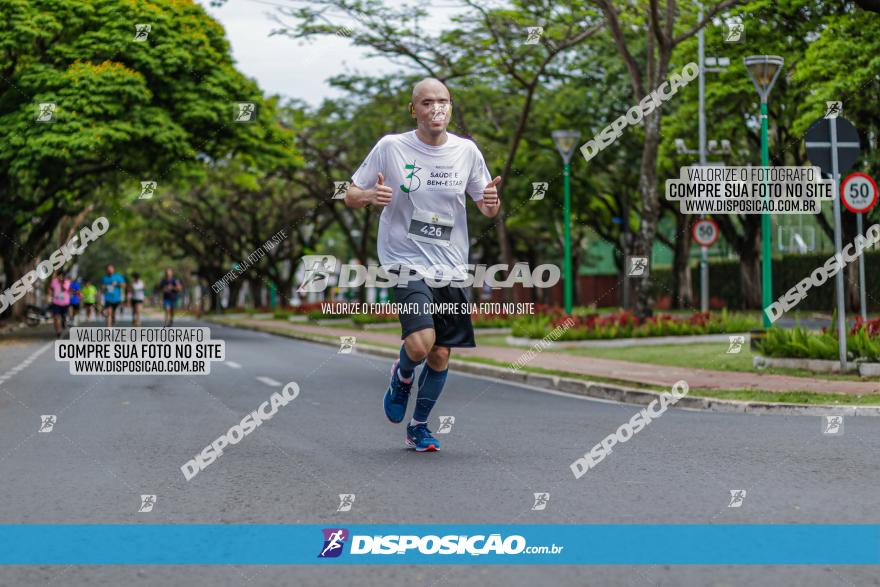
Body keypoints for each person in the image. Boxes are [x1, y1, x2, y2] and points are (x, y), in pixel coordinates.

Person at [344, 78, 501, 452]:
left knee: (441, 352)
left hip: (450, 264)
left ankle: (419, 426)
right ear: (414, 109)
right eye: (428, 102)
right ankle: (402, 376)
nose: (437, 109)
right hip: (405, 260)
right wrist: (369, 195)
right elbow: (349, 193)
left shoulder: (466, 151)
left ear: (451, 107)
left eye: (443, 101)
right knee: (419, 344)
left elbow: (485, 204)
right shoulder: (391, 147)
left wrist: (491, 201)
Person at [47, 270, 72, 338]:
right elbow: (50, 289)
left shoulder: (67, 282)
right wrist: (49, 296)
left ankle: (64, 322)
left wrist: (61, 283)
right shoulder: (54, 282)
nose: (60, 277)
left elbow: (64, 289)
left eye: (62, 276)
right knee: (56, 317)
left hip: (65, 303)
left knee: (64, 317)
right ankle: (58, 331)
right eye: (59, 276)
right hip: (56, 302)